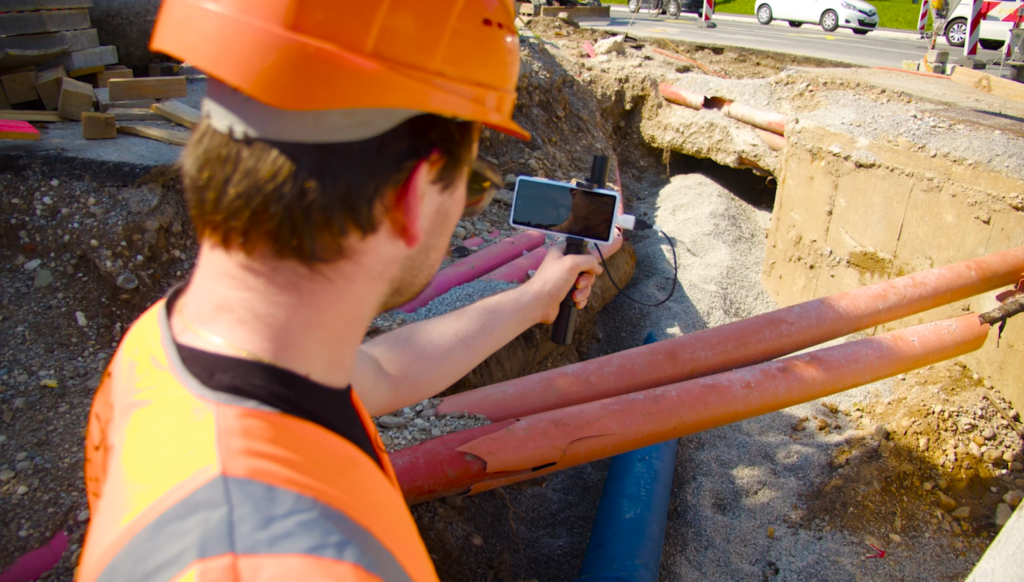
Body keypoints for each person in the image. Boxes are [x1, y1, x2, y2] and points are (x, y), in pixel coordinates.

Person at [75, 1, 602, 581]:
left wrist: (532, 300)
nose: (466, 207)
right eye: (473, 186)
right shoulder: (303, 561)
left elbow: (379, 372)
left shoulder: (173, 345)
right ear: (412, 195)